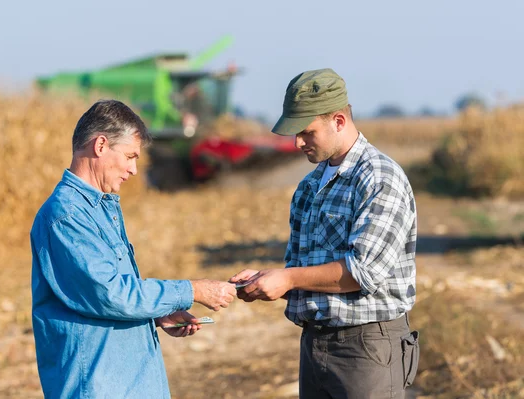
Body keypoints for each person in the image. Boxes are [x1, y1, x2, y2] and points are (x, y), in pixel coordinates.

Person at [230, 69, 419, 398]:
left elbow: (362, 273)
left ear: (339, 121)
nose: (298, 142)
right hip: (315, 345)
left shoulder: (379, 177)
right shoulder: (309, 186)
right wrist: (267, 282)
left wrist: (287, 280)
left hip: (366, 349)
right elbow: (305, 271)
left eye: (307, 131)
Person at [30, 99, 236, 398]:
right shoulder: (67, 217)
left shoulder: (100, 208)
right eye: (130, 156)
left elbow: (106, 296)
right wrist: (191, 290)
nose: (134, 169)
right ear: (101, 145)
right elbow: (109, 294)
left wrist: (155, 315)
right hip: (98, 387)